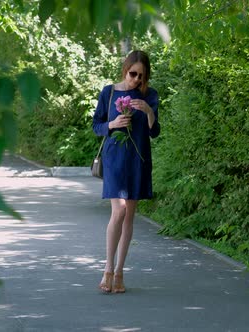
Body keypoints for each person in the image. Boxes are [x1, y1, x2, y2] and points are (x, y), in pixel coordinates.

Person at [92, 50, 160, 293]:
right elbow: (96, 125)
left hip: (138, 158)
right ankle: (107, 269)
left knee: (129, 215)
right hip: (115, 158)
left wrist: (149, 112)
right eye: (133, 74)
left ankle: (119, 272)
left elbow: (154, 132)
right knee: (118, 210)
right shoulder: (109, 92)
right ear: (125, 69)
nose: (136, 80)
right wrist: (113, 124)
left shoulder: (149, 95)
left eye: (141, 76)